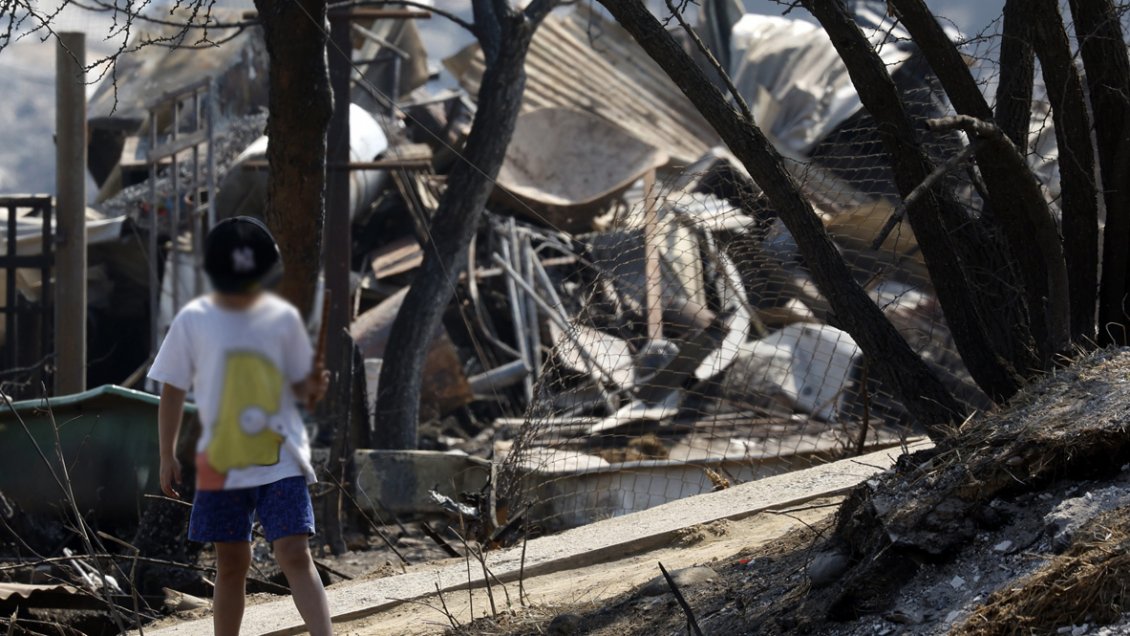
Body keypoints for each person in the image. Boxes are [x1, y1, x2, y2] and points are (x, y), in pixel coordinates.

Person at [150, 216, 332, 636]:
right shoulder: (193, 320)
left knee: (293, 552)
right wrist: (166, 453)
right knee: (232, 563)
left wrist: (313, 387)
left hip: (280, 454)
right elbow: (173, 388)